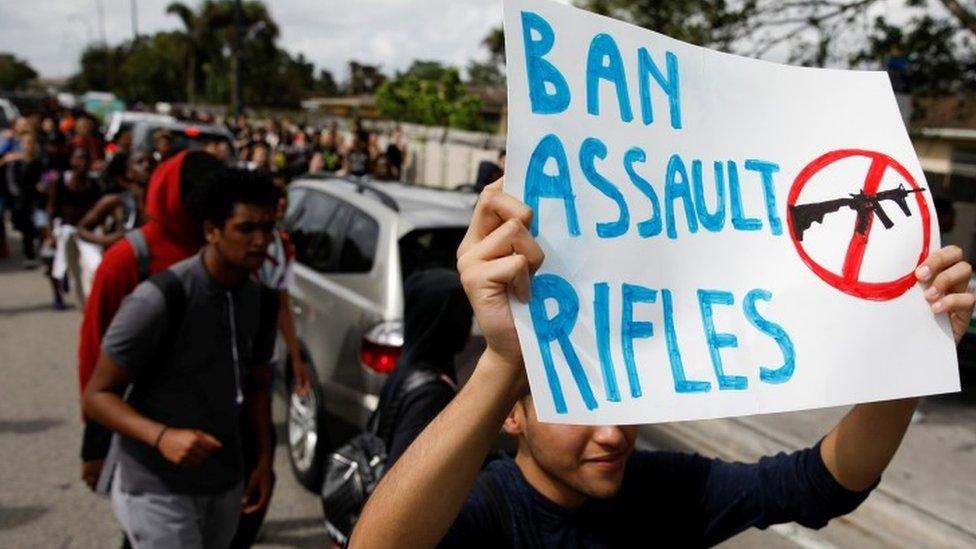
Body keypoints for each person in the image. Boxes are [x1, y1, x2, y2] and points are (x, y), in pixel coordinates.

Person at [351, 179, 976, 547]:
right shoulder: (486, 511)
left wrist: (911, 354)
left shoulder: (661, 491)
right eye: (579, 403)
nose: (614, 433)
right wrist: (505, 360)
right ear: (511, 415)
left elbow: (822, 482)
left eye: (624, 400)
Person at [82, 168, 281, 548]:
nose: (260, 241)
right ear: (211, 230)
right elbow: (98, 396)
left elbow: (257, 388)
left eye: (268, 229)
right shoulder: (159, 299)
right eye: (246, 229)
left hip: (226, 483)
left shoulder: (262, 301)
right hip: (157, 486)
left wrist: (263, 463)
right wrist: (162, 437)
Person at [78, 150, 225, 491]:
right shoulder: (127, 259)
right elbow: (93, 353)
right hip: (142, 431)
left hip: (209, 432)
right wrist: (95, 443)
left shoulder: (224, 256)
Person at [377, 268, 472, 466]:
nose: (470, 324)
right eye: (464, 314)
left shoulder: (408, 365)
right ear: (444, 322)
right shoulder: (431, 393)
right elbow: (407, 474)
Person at [76, 151, 153, 249]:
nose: (147, 166)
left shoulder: (162, 200)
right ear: (128, 172)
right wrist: (105, 240)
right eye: (139, 162)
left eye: (151, 162)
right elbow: (82, 228)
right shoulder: (116, 200)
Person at [5, 131, 45, 266]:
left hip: (38, 201)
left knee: (41, 226)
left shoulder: (40, 161)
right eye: (26, 143)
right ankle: (29, 255)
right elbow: (11, 181)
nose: (29, 146)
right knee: (26, 229)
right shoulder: (16, 162)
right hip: (22, 201)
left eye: (31, 143)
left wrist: (44, 185)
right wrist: (17, 194)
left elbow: (48, 175)